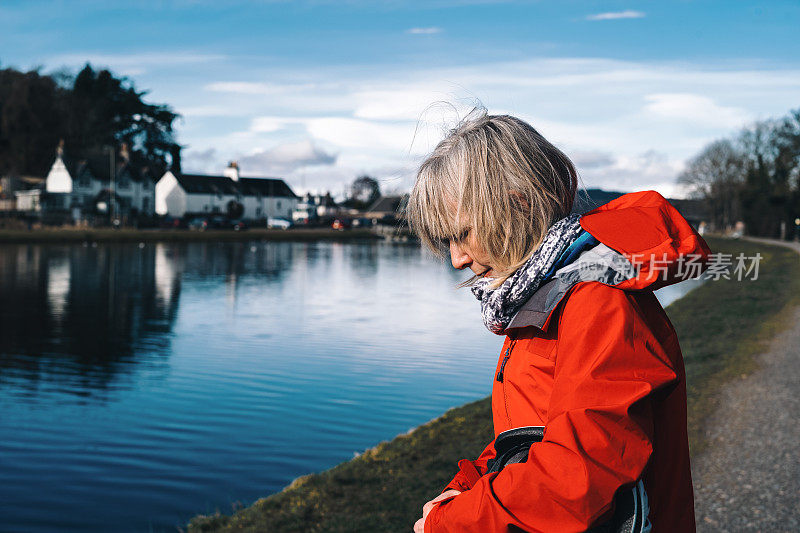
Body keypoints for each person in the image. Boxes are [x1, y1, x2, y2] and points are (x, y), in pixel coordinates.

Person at [407, 110, 710, 533]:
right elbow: (528, 436)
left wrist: (454, 523)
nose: (457, 259)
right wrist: (465, 487)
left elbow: (581, 473)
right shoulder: (543, 297)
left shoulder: (594, 301)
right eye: (447, 241)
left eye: (462, 234)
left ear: (518, 204)